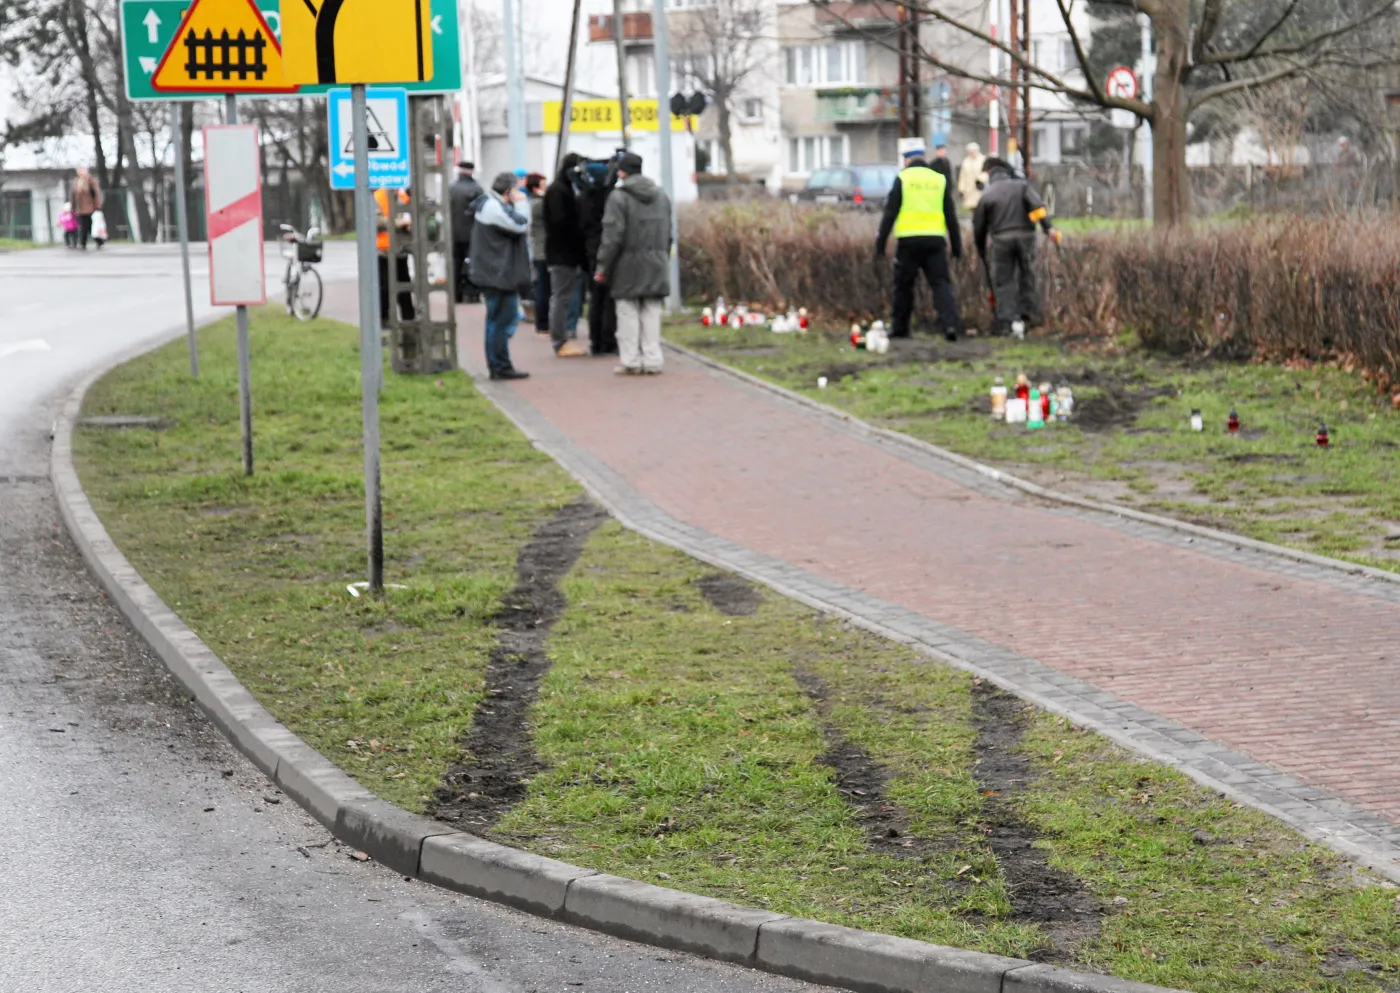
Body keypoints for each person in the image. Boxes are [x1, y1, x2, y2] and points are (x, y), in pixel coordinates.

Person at [875, 137, 963, 342]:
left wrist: (880, 245)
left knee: (904, 286)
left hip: (908, 241)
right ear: (923, 157)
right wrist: (957, 246)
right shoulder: (939, 180)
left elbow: (890, 214)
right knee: (941, 284)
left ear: (906, 159)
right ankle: (949, 326)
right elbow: (951, 216)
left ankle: (900, 328)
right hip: (935, 241)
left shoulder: (903, 179)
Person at [594, 151, 672, 376]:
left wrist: (602, 267)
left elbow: (612, 237)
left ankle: (631, 360)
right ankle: (653, 359)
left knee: (628, 313)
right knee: (651, 311)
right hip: (656, 262)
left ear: (621, 172)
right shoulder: (660, 196)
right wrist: (662, 256)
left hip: (626, 265)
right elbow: (668, 233)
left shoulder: (618, 198)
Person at [973, 156, 1062, 336]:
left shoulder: (988, 194)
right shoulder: (1022, 186)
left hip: (1001, 240)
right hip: (1026, 237)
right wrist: (1048, 229)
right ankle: (1031, 319)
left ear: (989, 173)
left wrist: (981, 249)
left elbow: (979, 226)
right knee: (1028, 276)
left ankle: (1006, 323)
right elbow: (1038, 208)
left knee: (1004, 281)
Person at [470, 172, 532, 381]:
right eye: (516, 189)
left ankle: (499, 364)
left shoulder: (489, 204)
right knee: (502, 321)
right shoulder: (494, 209)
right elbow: (521, 225)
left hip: (494, 272)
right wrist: (522, 203)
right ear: (508, 191)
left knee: (496, 320)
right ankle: (500, 366)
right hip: (498, 273)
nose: (518, 193)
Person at [544, 153, 589, 357]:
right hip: (562, 253)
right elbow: (560, 222)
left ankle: (560, 338)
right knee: (561, 297)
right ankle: (559, 340)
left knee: (563, 297)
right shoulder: (559, 191)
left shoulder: (562, 188)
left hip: (563, 252)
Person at [577, 157, 618, 356]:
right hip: (606, 251)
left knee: (595, 299)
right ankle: (608, 339)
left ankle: (596, 341)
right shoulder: (611, 197)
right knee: (609, 299)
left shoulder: (584, 198)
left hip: (590, 251)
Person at [374, 186, 416, 324]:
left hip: (401, 251)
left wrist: (411, 225)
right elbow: (376, 222)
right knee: (385, 288)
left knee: (405, 287)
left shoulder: (403, 197)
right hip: (384, 251)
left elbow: (412, 215)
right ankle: (384, 319)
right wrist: (398, 223)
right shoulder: (378, 196)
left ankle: (409, 319)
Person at [449, 161, 484, 303]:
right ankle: (472, 294)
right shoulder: (477, 189)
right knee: (472, 263)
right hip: (472, 233)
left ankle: (455, 295)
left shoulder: (450, 188)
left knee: (455, 263)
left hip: (453, 233)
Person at [525, 172, 551, 333]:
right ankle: (542, 323)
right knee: (544, 288)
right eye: (543, 185)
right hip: (543, 251)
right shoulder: (538, 204)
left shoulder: (533, 203)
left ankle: (542, 322)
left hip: (539, 250)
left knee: (543, 287)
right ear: (536, 188)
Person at [70, 166, 103, 250]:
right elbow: (73, 195)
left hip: (89, 207)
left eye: (82, 170)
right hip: (79, 208)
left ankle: (96, 240)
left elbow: (96, 193)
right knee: (83, 226)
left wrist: (97, 205)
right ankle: (83, 242)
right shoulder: (76, 182)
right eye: (79, 170)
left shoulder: (91, 181)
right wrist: (72, 207)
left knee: (89, 226)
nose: (81, 172)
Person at [957, 142, 986, 213]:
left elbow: (985, 172)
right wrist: (961, 189)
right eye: (970, 152)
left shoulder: (983, 160)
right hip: (969, 191)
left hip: (979, 190)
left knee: (981, 208)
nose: (972, 153)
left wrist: (981, 180)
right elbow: (962, 176)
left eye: (973, 151)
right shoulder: (966, 162)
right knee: (972, 209)